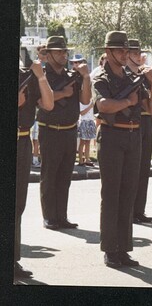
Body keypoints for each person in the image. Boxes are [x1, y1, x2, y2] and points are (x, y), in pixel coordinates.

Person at [92, 31, 152, 268]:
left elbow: (151, 106)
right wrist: (127, 102)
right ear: (107, 52)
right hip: (111, 136)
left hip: (133, 135)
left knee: (128, 194)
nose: (124, 54)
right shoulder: (101, 77)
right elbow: (103, 105)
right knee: (111, 195)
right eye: (120, 50)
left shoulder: (131, 76)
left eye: (127, 50)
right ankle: (110, 248)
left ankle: (124, 248)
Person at [37, 36, 91, 230]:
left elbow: (85, 100)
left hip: (69, 131)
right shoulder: (42, 76)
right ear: (49, 54)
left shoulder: (72, 76)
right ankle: (50, 216)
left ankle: (62, 216)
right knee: (50, 175)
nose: (63, 55)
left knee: (65, 177)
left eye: (64, 51)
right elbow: (43, 103)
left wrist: (85, 77)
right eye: (58, 51)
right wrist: (63, 94)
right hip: (50, 131)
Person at [16, 56, 54, 280]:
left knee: (17, 204)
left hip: (22, 141)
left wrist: (40, 76)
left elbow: (48, 104)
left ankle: (13, 261)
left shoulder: (28, 75)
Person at [127, 39, 152, 225]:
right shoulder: (125, 75)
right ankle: (129, 210)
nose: (137, 56)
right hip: (131, 123)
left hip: (146, 120)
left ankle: (139, 210)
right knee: (131, 169)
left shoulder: (145, 76)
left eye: (138, 52)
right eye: (133, 53)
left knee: (143, 168)